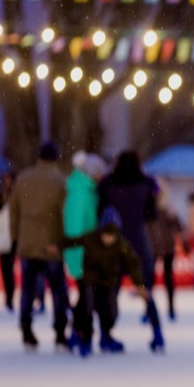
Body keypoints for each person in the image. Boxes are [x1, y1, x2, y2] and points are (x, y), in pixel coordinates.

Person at [58, 207, 163, 355]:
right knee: (85, 308)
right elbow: (73, 242)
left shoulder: (121, 244)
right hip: (90, 281)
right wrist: (57, 246)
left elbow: (132, 263)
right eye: (106, 234)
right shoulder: (91, 239)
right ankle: (83, 337)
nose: (108, 239)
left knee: (110, 312)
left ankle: (106, 336)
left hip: (109, 282)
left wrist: (138, 283)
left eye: (112, 235)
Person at [10, 142, 70, 351]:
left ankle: (26, 330)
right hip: (51, 244)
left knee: (27, 289)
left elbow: (14, 211)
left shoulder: (23, 178)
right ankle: (60, 334)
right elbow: (65, 214)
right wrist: (63, 242)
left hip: (27, 242)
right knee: (58, 291)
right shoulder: (60, 181)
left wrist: (16, 237)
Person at [98, 151, 158, 320]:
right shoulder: (145, 184)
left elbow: (101, 212)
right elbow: (151, 215)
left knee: (111, 287)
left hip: (114, 241)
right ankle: (155, 328)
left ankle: (107, 329)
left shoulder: (107, 184)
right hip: (138, 241)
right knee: (144, 286)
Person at [63, 151, 108, 342]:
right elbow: (74, 227)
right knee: (86, 295)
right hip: (82, 253)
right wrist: (81, 253)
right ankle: (81, 332)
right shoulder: (80, 192)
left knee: (86, 294)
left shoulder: (85, 189)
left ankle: (80, 330)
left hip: (85, 251)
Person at [149, 183, 184, 320]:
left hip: (159, 247)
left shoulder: (160, 210)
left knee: (160, 279)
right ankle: (153, 309)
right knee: (156, 279)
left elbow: (178, 226)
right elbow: (179, 227)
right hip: (159, 246)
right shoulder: (159, 210)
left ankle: (167, 309)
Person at [0, 176, 16, 314]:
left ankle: (9, 301)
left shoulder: (5, 209)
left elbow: (6, 229)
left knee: (7, 274)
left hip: (4, 245)